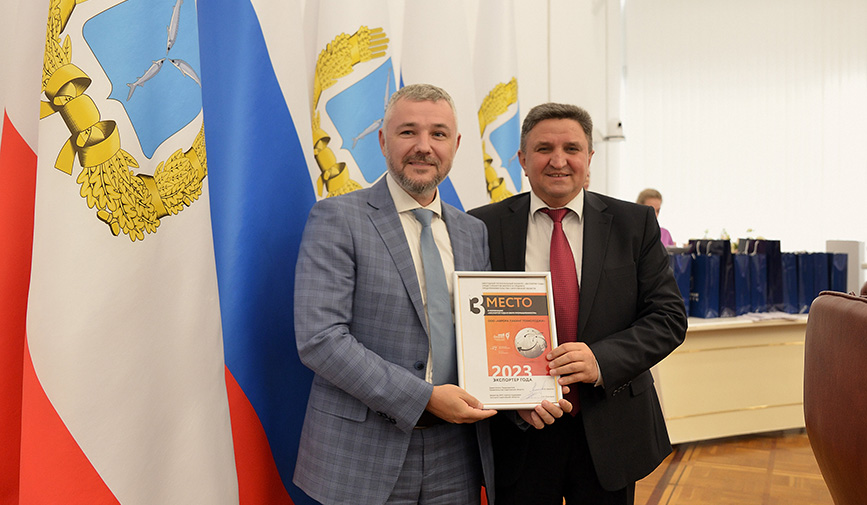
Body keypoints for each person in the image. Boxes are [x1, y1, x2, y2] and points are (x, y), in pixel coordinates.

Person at [293, 84, 567, 505]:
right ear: (383, 141)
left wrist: (519, 397)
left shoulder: (472, 232)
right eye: (408, 132)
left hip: (456, 452)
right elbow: (321, 339)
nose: (424, 146)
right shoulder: (338, 218)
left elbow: (486, 337)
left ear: (455, 145)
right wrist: (425, 399)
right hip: (363, 454)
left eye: (438, 134)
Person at [468, 103, 687, 505]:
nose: (558, 160)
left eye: (571, 148)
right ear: (522, 159)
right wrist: (512, 403)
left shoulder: (634, 224)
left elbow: (668, 318)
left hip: (611, 427)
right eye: (543, 148)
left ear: (589, 158)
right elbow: (468, 329)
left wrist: (600, 359)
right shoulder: (480, 225)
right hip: (520, 432)